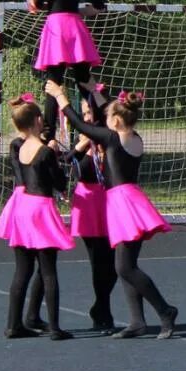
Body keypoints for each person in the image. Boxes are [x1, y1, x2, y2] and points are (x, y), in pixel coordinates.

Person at [48, 81, 178, 339]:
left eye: (108, 116)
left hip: (123, 205)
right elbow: (109, 110)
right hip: (129, 202)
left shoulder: (110, 138)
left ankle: (165, 310)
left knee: (125, 268)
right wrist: (92, 92)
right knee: (125, 265)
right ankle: (137, 321)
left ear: (116, 120)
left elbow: (78, 123)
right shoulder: (134, 138)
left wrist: (61, 97)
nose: (103, 118)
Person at [0, 95, 74, 340]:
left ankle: (13, 324)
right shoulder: (44, 151)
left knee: (22, 270)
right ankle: (55, 327)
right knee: (48, 271)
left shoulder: (18, 147)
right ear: (38, 120)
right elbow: (59, 183)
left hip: (22, 207)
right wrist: (58, 159)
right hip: (40, 209)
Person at [18, 0, 106, 141]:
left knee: (54, 82)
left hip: (57, 31)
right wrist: (74, 11)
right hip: (75, 29)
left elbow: (35, 4)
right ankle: (100, 120)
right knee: (84, 80)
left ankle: (48, 133)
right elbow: (99, 6)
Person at [69, 88, 119, 332]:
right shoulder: (81, 140)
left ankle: (100, 306)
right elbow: (66, 163)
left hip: (109, 202)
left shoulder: (110, 138)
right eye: (84, 113)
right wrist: (79, 148)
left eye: (91, 112)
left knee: (112, 265)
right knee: (97, 261)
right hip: (88, 204)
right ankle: (104, 312)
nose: (87, 118)